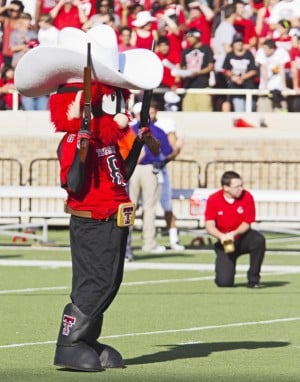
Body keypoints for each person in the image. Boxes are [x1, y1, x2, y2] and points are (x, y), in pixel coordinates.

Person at [14, 24, 163, 371]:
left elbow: (120, 175)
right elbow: (74, 184)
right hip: (93, 221)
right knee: (93, 283)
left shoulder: (107, 141)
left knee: (109, 282)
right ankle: (70, 342)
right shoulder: (75, 143)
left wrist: (139, 141)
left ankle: (89, 338)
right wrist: (82, 144)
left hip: (115, 216)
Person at [127, 102, 175, 255]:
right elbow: (167, 151)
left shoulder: (128, 131)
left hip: (132, 169)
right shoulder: (157, 130)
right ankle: (149, 242)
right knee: (148, 207)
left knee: (130, 207)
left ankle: (126, 243)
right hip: (148, 169)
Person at [204, 171, 266, 288]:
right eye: (237, 187)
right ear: (226, 188)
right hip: (225, 241)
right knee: (224, 283)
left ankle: (253, 279)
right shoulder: (213, 199)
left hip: (243, 238)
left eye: (241, 185)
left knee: (258, 240)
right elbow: (209, 225)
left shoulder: (247, 197)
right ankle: (224, 266)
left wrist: (234, 233)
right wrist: (221, 236)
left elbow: (247, 223)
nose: (241, 189)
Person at [174, 27, 214, 112]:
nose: (189, 39)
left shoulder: (206, 49)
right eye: (188, 37)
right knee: (187, 114)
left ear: (197, 36)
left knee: (205, 113)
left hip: (203, 87)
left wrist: (197, 72)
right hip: (188, 88)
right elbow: (183, 67)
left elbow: (210, 66)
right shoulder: (185, 51)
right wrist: (182, 73)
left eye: (191, 36)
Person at [223, 33, 258, 112]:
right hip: (236, 88)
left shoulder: (248, 54)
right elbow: (226, 70)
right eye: (237, 42)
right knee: (239, 109)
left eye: (240, 41)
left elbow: (253, 70)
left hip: (248, 87)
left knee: (250, 109)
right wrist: (233, 77)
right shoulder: (230, 55)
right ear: (233, 44)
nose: (239, 43)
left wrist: (242, 78)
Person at [255, 38, 290, 112]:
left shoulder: (281, 52)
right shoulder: (261, 52)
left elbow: (282, 69)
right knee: (264, 111)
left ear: (272, 49)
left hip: (278, 88)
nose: (264, 51)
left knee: (281, 112)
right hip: (265, 88)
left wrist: (284, 86)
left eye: (266, 49)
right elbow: (263, 69)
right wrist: (264, 86)